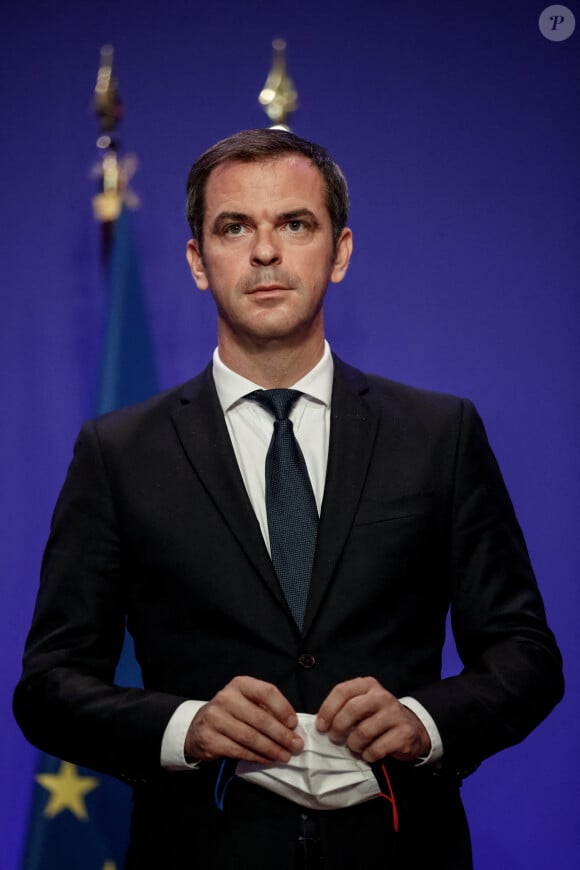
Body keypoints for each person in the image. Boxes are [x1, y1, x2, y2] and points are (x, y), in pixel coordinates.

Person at [14, 129, 563, 869]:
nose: (265, 252)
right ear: (197, 262)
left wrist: (421, 722)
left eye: (294, 225)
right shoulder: (118, 453)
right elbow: (49, 688)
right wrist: (189, 725)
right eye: (234, 227)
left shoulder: (440, 434)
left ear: (338, 252)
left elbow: (526, 656)